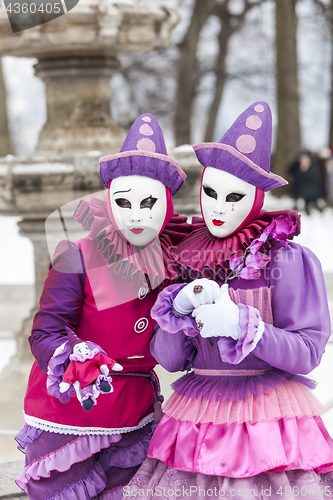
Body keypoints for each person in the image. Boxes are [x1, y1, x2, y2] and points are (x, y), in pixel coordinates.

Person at [124, 102, 333, 499]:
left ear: (256, 197)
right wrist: (177, 308)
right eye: (211, 192)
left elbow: (307, 352)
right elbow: (171, 361)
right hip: (194, 418)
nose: (219, 207)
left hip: (267, 423)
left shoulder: (286, 258)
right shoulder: (187, 255)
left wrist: (242, 325)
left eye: (233, 196)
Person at [15, 114, 189, 499]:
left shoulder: (176, 265)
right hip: (72, 415)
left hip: (134, 415)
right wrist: (71, 354)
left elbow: (173, 352)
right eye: (123, 202)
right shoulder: (76, 256)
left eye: (148, 203)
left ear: (167, 203)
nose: (136, 215)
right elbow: (44, 332)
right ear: (108, 201)